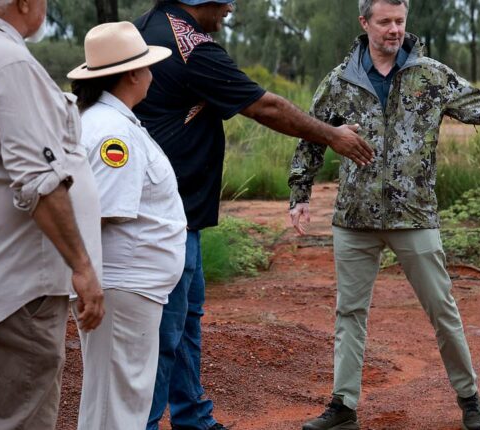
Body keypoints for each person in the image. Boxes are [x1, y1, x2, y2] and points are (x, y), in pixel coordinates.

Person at [133, 1, 375, 429]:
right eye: (221, 3)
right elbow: (266, 107)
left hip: (169, 212)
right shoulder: (193, 48)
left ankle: (193, 418)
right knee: (164, 334)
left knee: (185, 322)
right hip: (166, 217)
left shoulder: (143, 28)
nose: (227, 10)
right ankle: (144, 423)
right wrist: (332, 135)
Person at [288, 1, 480, 429]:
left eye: (400, 21)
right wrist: (300, 192)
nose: (394, 30)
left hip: (414, 217)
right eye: (385, 22)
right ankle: (343, 406)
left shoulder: (430, 75)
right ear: (364, 23)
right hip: (354, 219)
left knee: (442, 310)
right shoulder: (341, 81)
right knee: (349, 313)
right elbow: (310, 135)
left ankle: (469, 399)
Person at [0, 0, 105, 428]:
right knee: (16, 417)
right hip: (16, 287)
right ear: (24, 2)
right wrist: (82, 266)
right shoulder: (7, 64)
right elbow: (39, 181)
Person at [67, 21, 186, 429]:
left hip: (127, 287)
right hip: (121, 286)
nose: (153, 75)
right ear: (132, 74)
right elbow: (99, 212)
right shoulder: (112, 132)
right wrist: (91, 282)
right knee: (116, 406)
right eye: (148, 66)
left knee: (119, 400)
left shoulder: (111, 121)